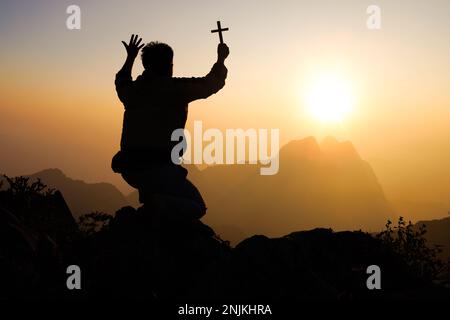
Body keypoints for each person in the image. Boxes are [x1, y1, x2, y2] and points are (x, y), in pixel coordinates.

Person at [112, 34, 229, 220]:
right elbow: (211, 84)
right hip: (159, 169)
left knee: (156, 180)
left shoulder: (132, 91)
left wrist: (130, 58)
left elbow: (121, 80)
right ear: (168, 65)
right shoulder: (176, 89)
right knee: (197, 206)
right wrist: (221, 59)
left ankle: (152, 199)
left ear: (146, 65)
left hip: (129, 169)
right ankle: (157, 204)